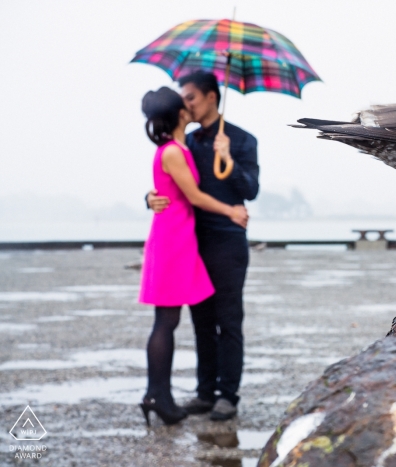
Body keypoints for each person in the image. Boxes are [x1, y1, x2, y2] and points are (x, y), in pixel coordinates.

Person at [147, 70, 259, 421]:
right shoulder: (188, 141)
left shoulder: (241, 139)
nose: (186, 104)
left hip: (227, 244)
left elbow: (250, 189)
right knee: (201, 322)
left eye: (191, 97)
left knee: (229, 321)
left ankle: (228, 395)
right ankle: (205, 392)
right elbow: (174, 187)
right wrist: (149, 198)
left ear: (213, 96)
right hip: (192, 245)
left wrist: (228, 158)